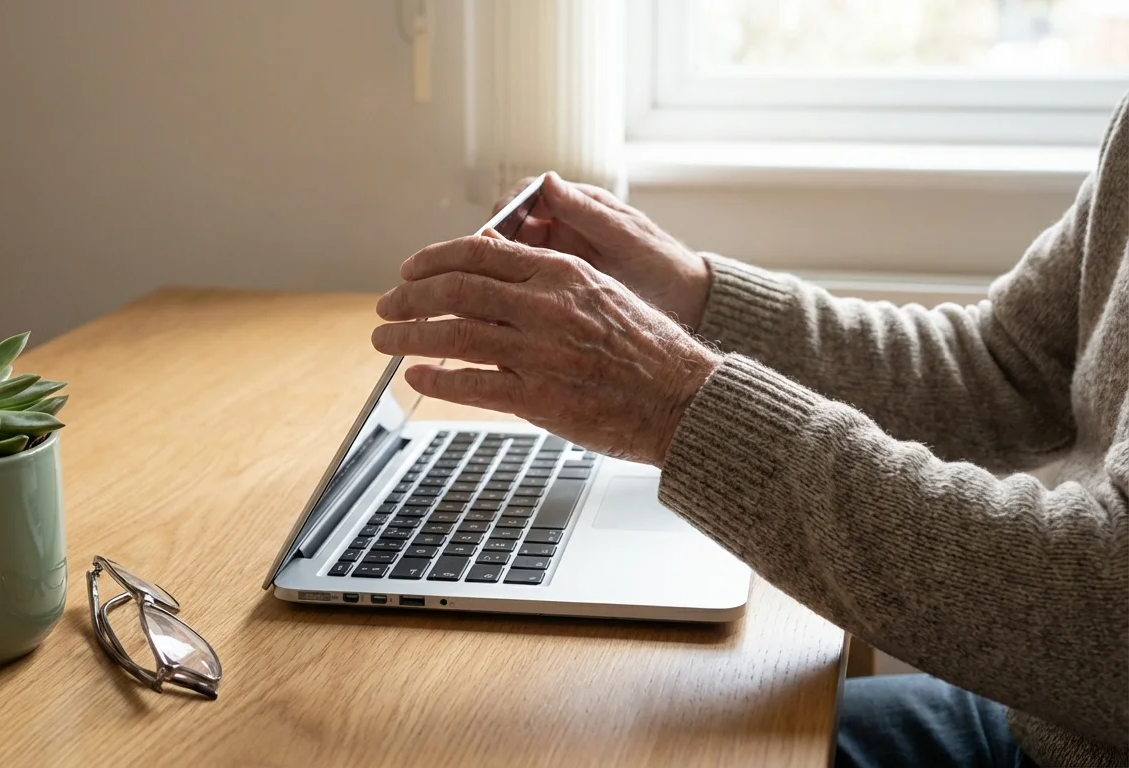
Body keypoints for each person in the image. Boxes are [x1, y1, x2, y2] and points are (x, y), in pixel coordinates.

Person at [371, 96, 1128, 767]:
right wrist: (697, 302)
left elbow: (1107, 612)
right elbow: (1006, 368)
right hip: (1048, 726)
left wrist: (678, 404)